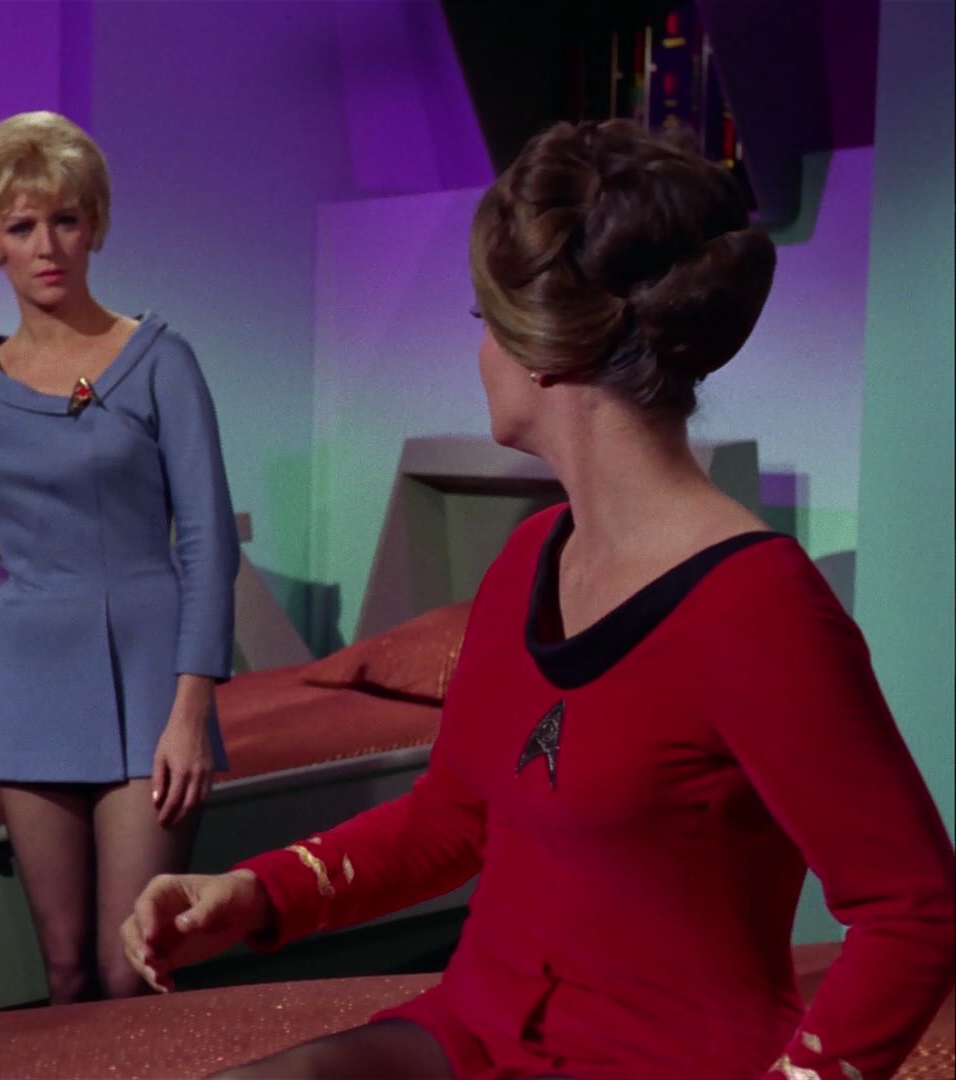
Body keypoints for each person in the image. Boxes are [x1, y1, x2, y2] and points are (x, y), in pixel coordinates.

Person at [122, 120, 956, 1080]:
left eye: (484, 320)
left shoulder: (760, 608)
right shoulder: (528, 558)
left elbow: (915, 911)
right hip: (472, 1030)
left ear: (543, 351)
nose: (477, 350)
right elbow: (453, 817)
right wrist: (256, 893)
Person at [0, 111, 239, 1004]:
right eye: (21, 226)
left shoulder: (161, 361)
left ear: (93, 224)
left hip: (151, 680)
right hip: (29, 682)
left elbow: (208, 543)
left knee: (129, 969)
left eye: (64, 219)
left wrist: (191, 712)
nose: (46, 245)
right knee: (64, 971)